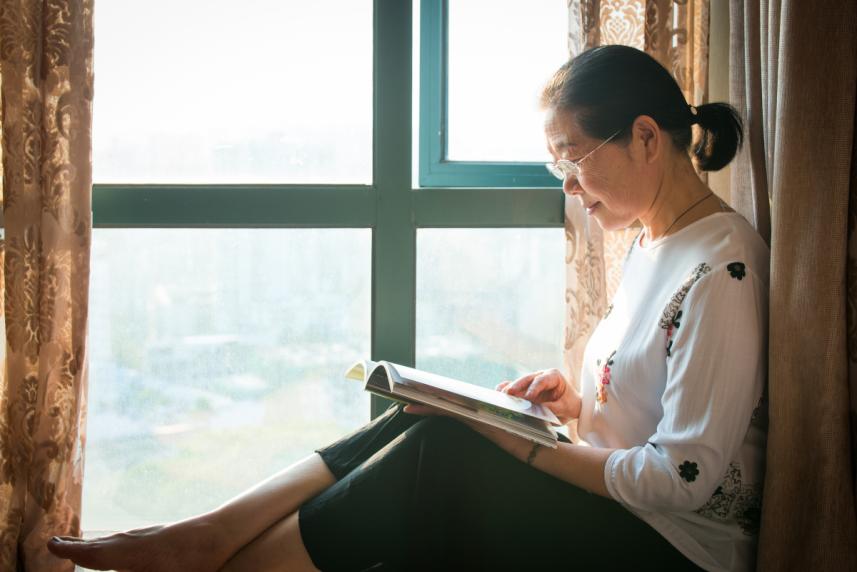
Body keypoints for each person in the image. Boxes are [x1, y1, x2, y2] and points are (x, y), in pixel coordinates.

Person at [47, 44, 767, 572]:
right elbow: (649, 397)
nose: (569, 187)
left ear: (644, 136)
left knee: (447, 444)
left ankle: (217, 559)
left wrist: (519, 443)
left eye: (572, 157)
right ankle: (210, 535)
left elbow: (683, 479)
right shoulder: (651, 245)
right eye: (558, 167)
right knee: (426, 410)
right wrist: (572, 403)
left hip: (674, 550)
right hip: (619, 514)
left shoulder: (722, 264)